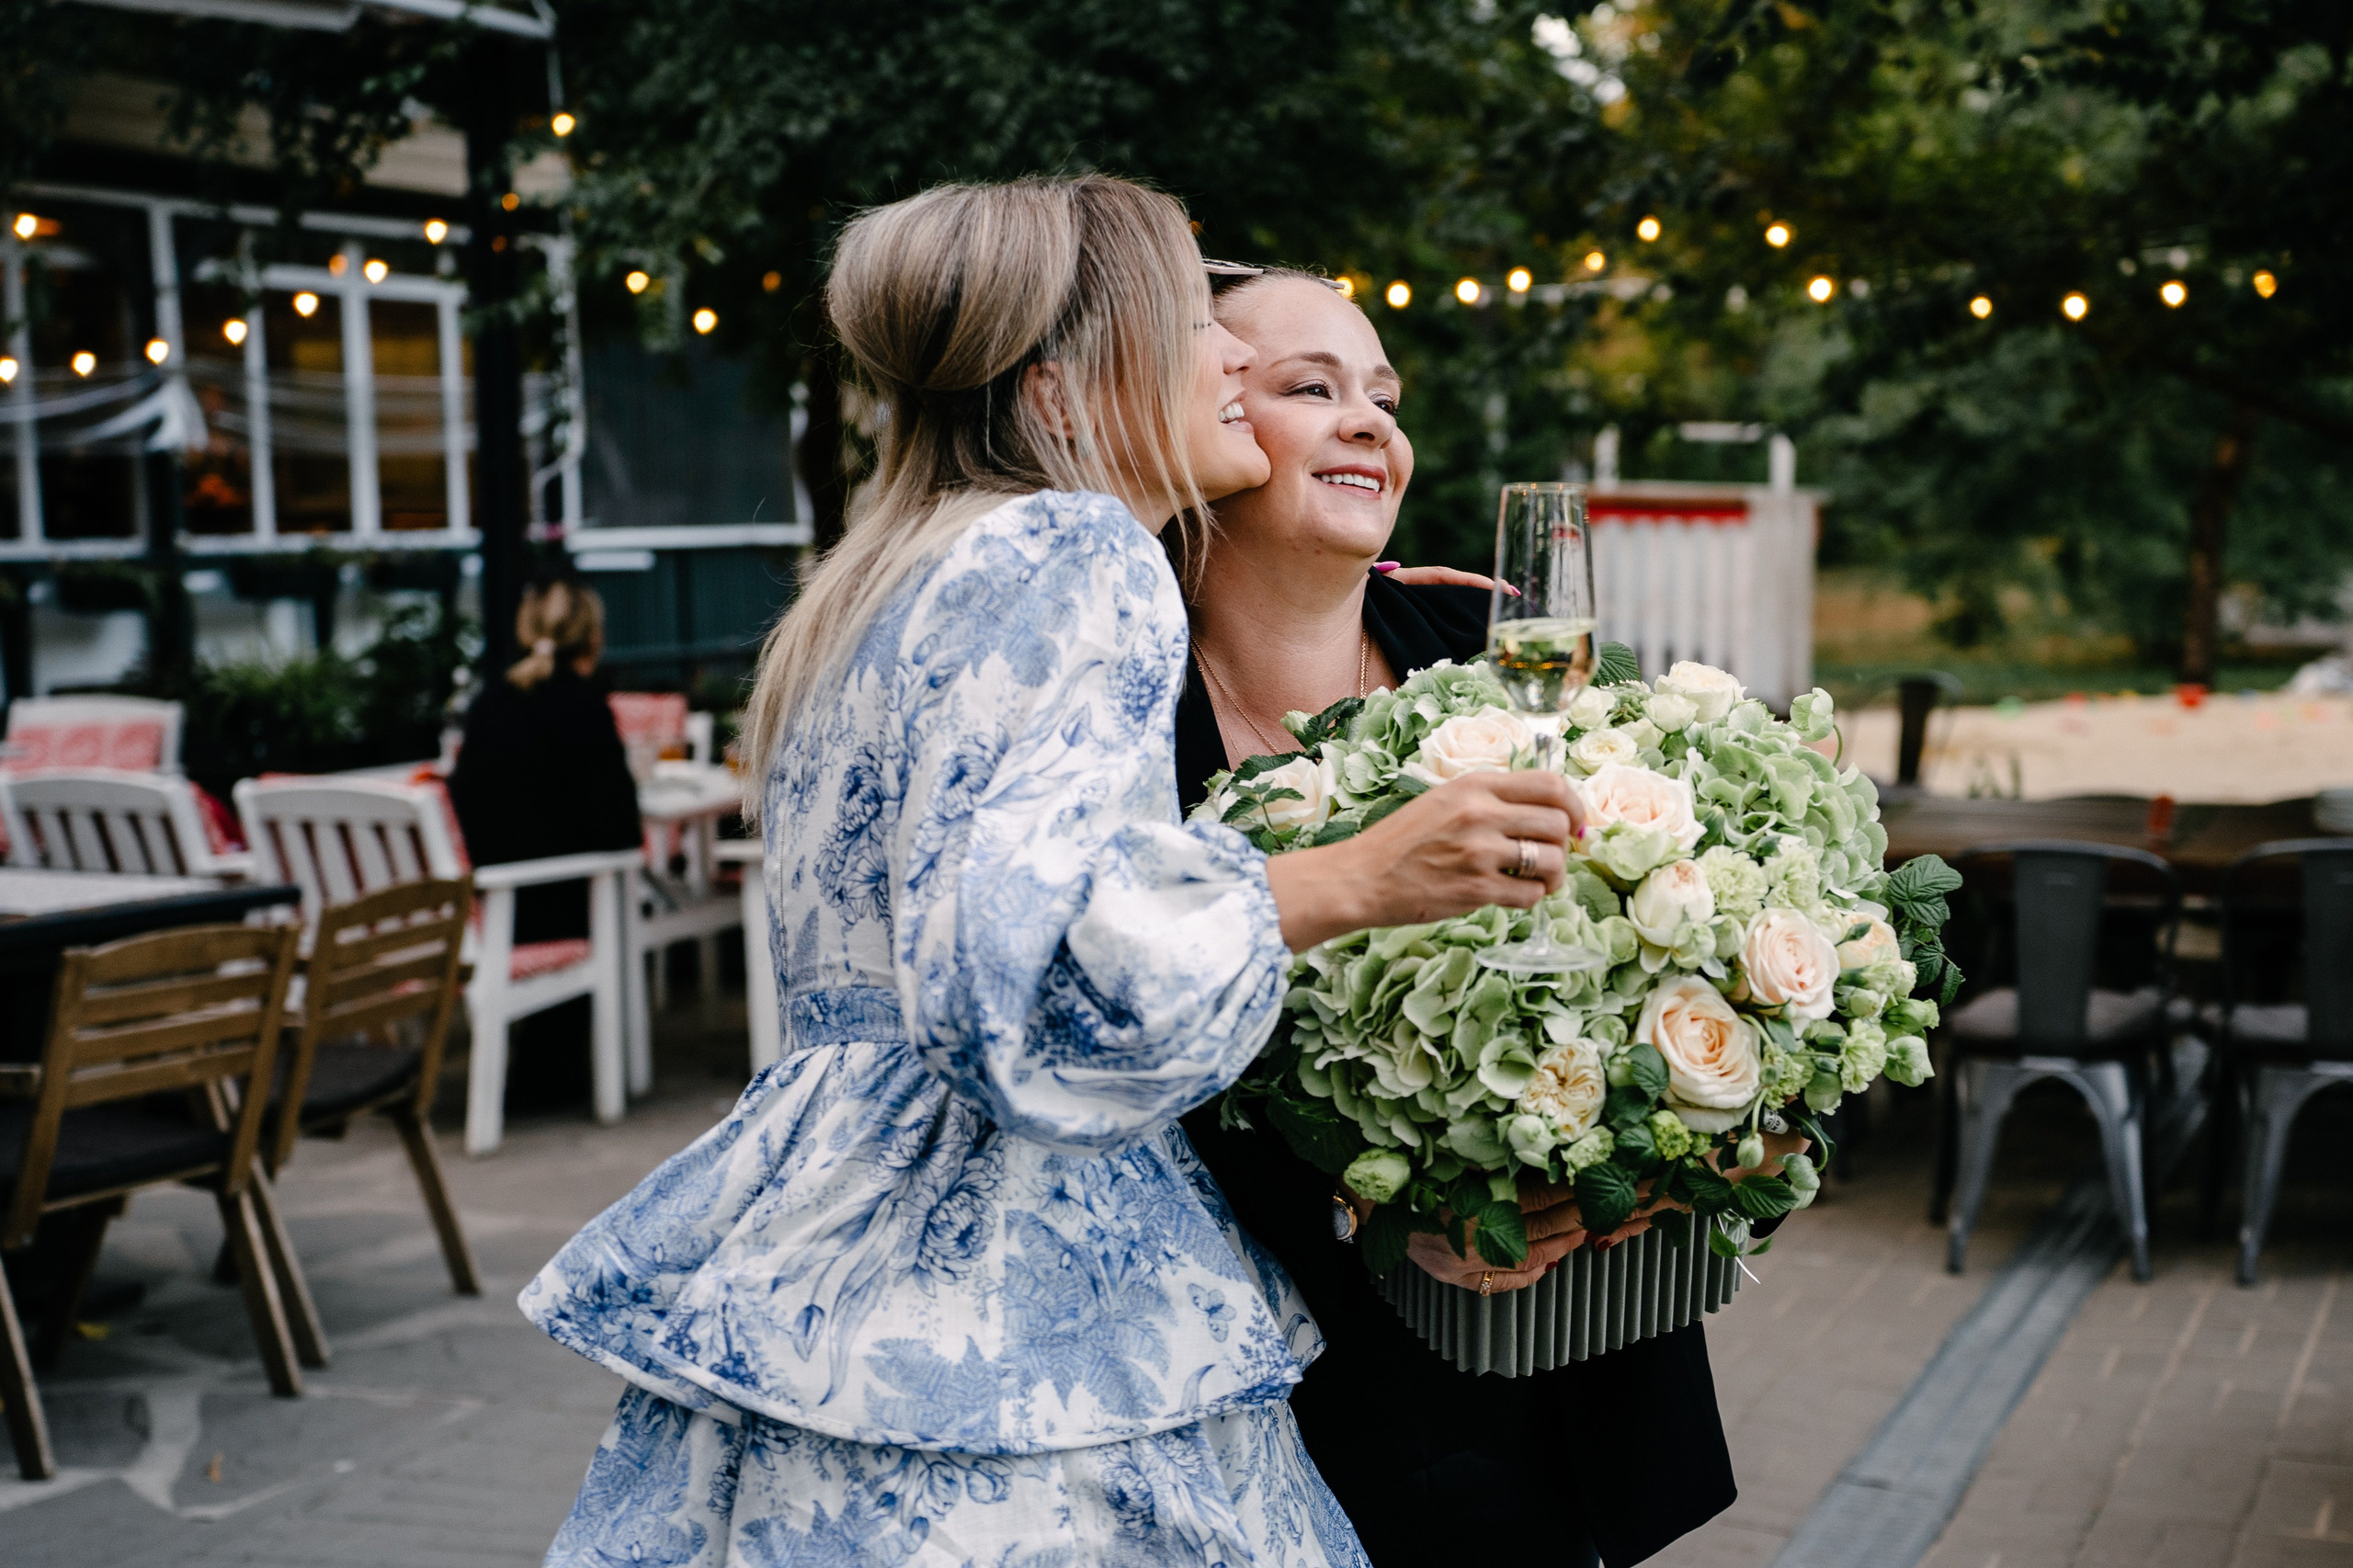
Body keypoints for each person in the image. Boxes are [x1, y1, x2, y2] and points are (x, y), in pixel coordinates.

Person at [521, 176, 1586, 1567]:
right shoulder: (1079, 550)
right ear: (1066, 388)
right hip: (1011, 1300)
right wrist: (1360, 876)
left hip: (837, 1262)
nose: (1223, 352)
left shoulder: (882, 577)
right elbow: (1019, 985)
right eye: (1186, 321)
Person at [1175, 267, 1738, 1568]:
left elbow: (1664, 932)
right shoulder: (1123, 711)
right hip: (1304, 1383)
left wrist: (1659, 1144)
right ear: (1197, 424)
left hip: (1565, 1364)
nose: (1370, 419)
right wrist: (1376, 1207)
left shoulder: (1495, 638)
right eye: (1311, 388)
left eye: (1384, 392)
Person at [446, 581, 643, 1109]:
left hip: (487, 907)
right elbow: (621, 830)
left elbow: (467, 803)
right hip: (554, 912)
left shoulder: (490, 704)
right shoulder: (584, 707)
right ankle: (599, 1069)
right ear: (594, 639)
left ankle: (542, 1065)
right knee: (607, 880)